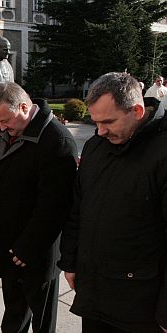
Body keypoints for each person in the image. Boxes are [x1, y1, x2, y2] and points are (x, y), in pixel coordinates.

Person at [58, 72, 167, 333]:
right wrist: (70, 262)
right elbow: (78, 207)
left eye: (108, 122)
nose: (99, 131)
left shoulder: (162, 154)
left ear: (138, 111)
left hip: (140, 304)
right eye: (95, 122)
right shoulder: (97, 145)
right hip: (94, 291)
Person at [0, 82, 78, 333]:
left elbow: (55, 206)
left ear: (24, 107)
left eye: (6, 120)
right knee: (14, 313)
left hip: (36, 251)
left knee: (42, 318)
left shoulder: (57, 139)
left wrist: (27, 248)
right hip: (8, 243)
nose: (2, 128)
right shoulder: (5, 133)